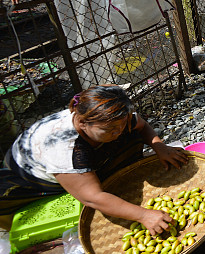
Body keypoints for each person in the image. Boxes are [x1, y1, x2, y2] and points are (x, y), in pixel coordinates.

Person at [0, 85, 188, 234]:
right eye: (110, 130)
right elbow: (93, 198)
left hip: (75, 153)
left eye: (121, 125)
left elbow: (141, 124)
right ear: (81, 123)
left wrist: (160, 147)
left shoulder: (112, 119)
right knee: (93, 190)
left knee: (129, 135)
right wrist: (143, 215)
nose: (118, 131)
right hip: (29, 176)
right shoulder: (65, 150)